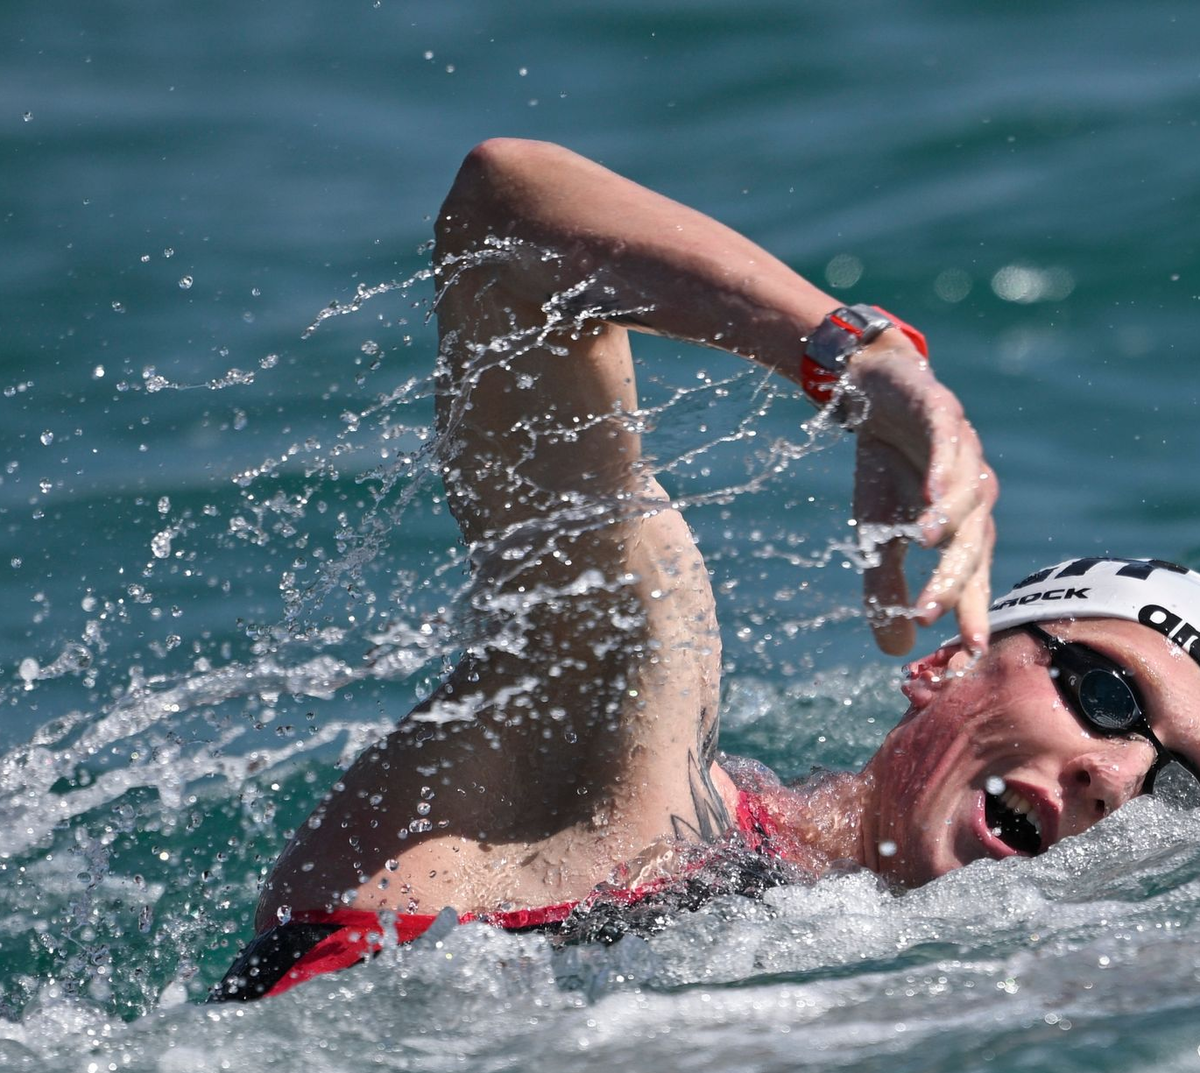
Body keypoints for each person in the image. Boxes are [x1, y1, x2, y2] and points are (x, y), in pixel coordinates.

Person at [209, 140, 1200, 1003]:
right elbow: (503, 214)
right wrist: (862, 361)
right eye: (1108, 695)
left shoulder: (961, 998)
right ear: (948, 663)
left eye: (1182, 789)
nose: (1118, 779)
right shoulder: (633, 776)